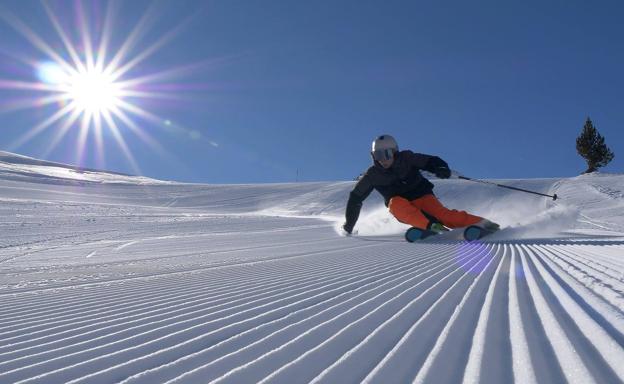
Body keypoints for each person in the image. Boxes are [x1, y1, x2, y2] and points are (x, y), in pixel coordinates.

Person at [342, 134, 497, 235]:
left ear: (394, 152)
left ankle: (484, 224)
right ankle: (430, 227)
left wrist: (440, 167)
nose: (382, 159)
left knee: (443, 215)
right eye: (377, 155)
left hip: (422, 196)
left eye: (386, 154)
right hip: (402, 208)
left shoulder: (407, 158)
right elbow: (355, 198)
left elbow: (431, 160)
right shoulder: (373, 175)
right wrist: (349, 226)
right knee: (395, 203)